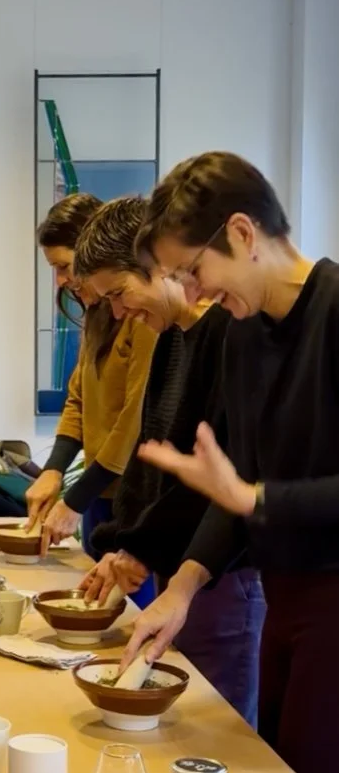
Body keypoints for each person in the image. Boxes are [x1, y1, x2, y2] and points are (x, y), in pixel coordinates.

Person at [120, 152, 339, 773]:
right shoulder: (243, 335)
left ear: (242, 233)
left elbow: (246, 493)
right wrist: (181, 589)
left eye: (193, 270)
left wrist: (254, 498)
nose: (192, 294)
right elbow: (233, 485)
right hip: (284, 602)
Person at [71, 196, 264, 724]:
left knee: (216, 740)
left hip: (220, 574)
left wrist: (143, 546)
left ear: (156, 263)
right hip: (180, 572)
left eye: (118, 293)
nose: (117, 313)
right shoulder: (173, 338)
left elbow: (214, 479)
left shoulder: (229, 334)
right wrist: (128, 543)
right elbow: (152, 458)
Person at [27, 195, 157, 577]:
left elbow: (133, 420)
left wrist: (75, 499)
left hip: (133, 496)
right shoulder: (99, 314)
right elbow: (78, 397)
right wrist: (53, 470)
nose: (61, 281)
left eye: (64, 267)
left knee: (125, 604)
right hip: (100, 491)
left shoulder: (141, 317)